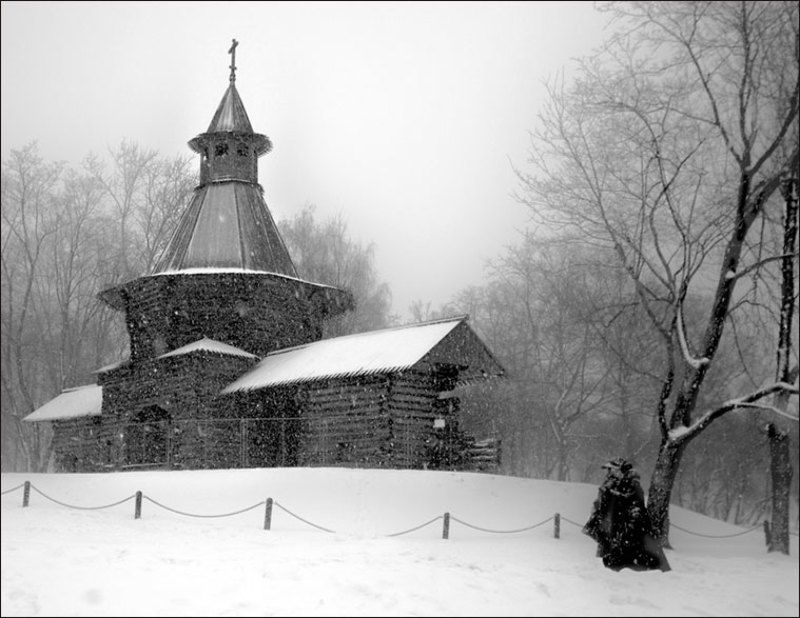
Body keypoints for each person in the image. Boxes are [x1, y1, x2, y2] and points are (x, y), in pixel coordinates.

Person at [582, 457, 671, 572]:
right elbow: (602, 507)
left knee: (633, 564)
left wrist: (627, 531)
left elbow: (636, 510)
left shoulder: (630, 487)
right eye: (608, 470)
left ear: (620, 470)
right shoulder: (610, 485)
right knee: (607, 565)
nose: (609, 473)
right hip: (611, 531)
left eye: (612, 470)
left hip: (627, 533)